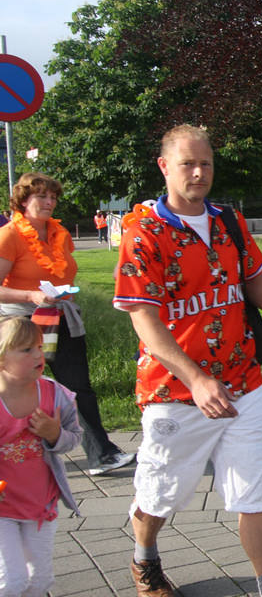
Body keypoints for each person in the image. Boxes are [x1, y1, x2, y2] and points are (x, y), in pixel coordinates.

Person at [113, 125, 262, 597]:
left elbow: (251, 278)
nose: (198, 173)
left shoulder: (228, 221)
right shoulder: (144, 234)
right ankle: (144, 557)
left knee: (256, 493)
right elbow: (144, 320)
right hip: (175, 391)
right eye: (187, 164)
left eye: (206, 164)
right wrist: (196, 380)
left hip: (242, 383)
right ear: (164, 167)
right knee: (161, 494)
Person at [0, 172, 135, 476]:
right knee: (16, 386)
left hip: (60, 316)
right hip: (21, 322)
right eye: (41, 196)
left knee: (78, 386)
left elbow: (63, 273)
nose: (49, 202)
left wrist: (64, 296)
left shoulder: (60, 234)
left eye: (53, 197)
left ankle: (102, 454)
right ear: (23, 201)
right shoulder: (9, 235)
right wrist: (31, 295)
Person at [0, 316, 82, 597]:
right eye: (26, 350)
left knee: (40, 582)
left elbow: (75, 437)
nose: (38, 354)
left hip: (39, 505)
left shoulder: (56, 395)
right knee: (11, 583)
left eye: (39, 346)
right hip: (2, 508)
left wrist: (54, 434)